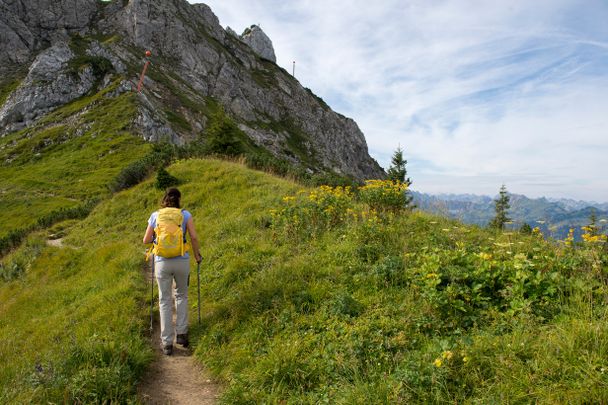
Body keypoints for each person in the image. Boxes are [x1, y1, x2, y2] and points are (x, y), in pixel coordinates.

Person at [143, 188, 202, 355]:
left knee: (164, 300)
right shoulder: (185, 215)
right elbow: (194, 237)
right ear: (179, 200)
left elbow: (146, 240)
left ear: (165, 200)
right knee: (181, 295)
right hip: (182, 260)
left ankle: (167, 343)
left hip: (162, 262)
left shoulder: (156, 215)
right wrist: (197, 255)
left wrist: (158, 238)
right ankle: (182, 335)